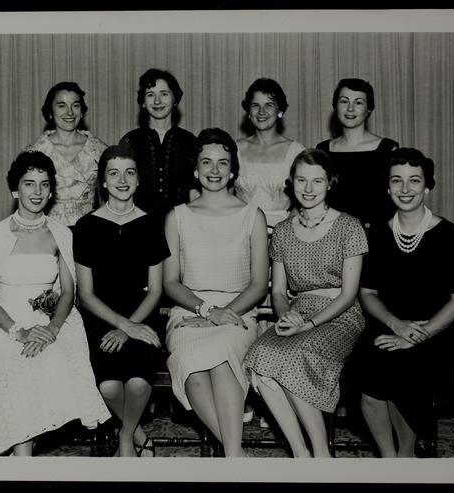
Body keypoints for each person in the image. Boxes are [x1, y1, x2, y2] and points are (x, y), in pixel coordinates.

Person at [0, 151, 110, 456]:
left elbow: (68, 292)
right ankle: (23, 460)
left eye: (44, 184)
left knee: (49, 364)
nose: (37, 192)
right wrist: (19, 332)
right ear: (15, 189)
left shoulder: (61, 235)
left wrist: (51, 329)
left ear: (51, 191)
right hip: (3, 324)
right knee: (15, 368)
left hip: (50, 322)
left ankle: (22, 458)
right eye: (29, 184)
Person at [243, 149, 368, 457]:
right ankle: (301, 453)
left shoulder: (349, 226)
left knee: (294, 356)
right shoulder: (283, 231)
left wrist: (309, 324)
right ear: (291, 182)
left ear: (330, 183)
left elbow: (349, 294)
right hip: (298, 312)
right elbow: (278, 292)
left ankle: (321, 453)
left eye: (317, 181)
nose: (308, 189)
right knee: (259, 357)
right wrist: (286, 315)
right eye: (301, 180)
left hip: (340, 315)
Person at [351, 147, 454, 457]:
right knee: (368, 375)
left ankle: (405, 455)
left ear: (427, 186)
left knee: (404, 372)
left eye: (414, 180)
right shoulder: (377, 235)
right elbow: (367, 294)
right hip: (387, 325)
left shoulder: (451, 235)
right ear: (388, 187)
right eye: (397, 180)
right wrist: (396, 325)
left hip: (434, 333)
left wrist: (418, 335)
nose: (405, 189)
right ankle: (389, 457)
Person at [163, 128, 269, 457]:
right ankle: (238, 459)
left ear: (233, 170)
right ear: (195, 170)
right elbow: (171, 282)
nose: (214, 170)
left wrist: (224, 314)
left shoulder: (253, 216)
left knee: (223, 357)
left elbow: (258, 284)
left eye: (222, 163)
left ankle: (233, 459)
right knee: (192, 366)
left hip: (239, 311)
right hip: (190, 312)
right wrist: (208, 312)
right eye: (206, 162)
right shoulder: (177, 217)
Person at [74, 144, 170, 457]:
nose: (122, 180)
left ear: (139, 179)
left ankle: (126, 438)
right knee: (109, 386)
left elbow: (155, 290)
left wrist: (131, 326)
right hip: (101, 317)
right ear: (103, 181)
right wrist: (123, 326)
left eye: (129, 172)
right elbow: (85, 295)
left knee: (139, 383)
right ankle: (139, 433)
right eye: (114, 173)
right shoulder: (86, 227)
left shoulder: (152, 223)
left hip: (143, 314)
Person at [316, 78, 399, 232]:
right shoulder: (322, 150)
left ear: (369, 110)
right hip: (331, 236)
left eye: (358, 102)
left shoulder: (388, 149)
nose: (350, 108)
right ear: (335, 106)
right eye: (344, 101)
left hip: (377, 236)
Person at [26, 81, 108, 227]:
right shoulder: (36, 150)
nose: (70, 112)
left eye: (75, 105)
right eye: (61, 105)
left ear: (82, 111)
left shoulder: (98, 149)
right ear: (50, 112)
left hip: (90, 231)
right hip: (48, 230)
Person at [119, 68, 197, 216]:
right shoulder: (130, 141)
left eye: (164, 94)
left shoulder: (189, 141)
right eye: (150, 95)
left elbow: (194, 193)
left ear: (175, 99)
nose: (157, 101)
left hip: (180, 222)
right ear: (143, 102)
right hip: (137, 222)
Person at [234, 78, 305, 229]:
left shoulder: (296, 151)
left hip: (284, 230)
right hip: (241, 228)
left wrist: (284, 230)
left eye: (269, 105)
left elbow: (305, 199)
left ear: (280, 111)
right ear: (248, 112)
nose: (261, 112)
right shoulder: (235, 149)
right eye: (255, 105)